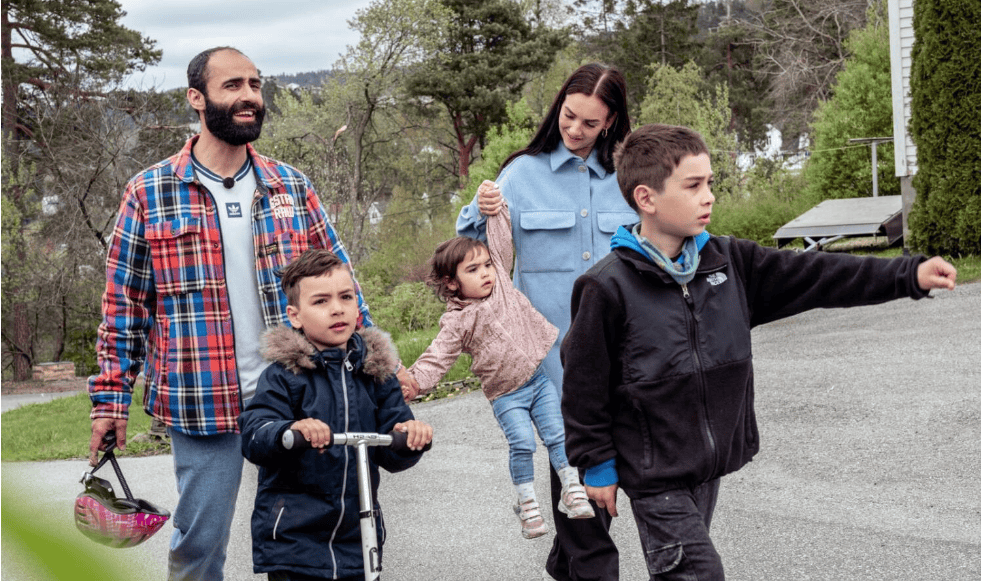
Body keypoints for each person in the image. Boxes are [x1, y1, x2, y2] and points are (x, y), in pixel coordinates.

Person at [560, 123, 958, 580]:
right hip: (653, 472)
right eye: (693, 186)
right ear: (646, 198)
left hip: (705, 463)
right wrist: (597, 464)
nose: (708, 196)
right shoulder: (607, 287)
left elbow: (818, 274)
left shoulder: (730, 263)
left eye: (709, 183)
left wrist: (908, 275)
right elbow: (583, 382)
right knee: (697, 573)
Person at [87, 46, 415, 581]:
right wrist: (110, 400)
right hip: (203, 397)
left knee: (314, 534)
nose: (249, 97)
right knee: (201, 541)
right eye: (233, 85)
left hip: (298, 391)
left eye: (255, 85)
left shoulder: (291, 186)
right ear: (197, 99)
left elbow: (344, 284)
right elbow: (123, 307)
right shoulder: (149, 193)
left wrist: (377, 365)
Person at [456, 62, 635, 579]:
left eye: (590, 124)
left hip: (625, 357)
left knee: (604, 490)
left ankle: (566, 564)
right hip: (551, 365)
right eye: (568, 116)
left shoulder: (629, 178)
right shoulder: (520, 176)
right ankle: (584, 565)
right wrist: (479, 207)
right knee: (577, 484)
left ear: (612, 123)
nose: (575, 130)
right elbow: (474, 257)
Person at [407, 196, 595, 540]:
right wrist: (414, 382)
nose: (485, 274)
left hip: (538, 380)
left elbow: (501, 242)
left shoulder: (503, 287)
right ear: (451, 282)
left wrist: (495, 210)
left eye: (486, 266)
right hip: (506, 395)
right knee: (523, 443)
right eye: (473, 270)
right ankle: (527, 504)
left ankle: (572, 490)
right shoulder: (457, 321)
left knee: (557, 435)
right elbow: (438, 355)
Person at [239, 249, 433, 581]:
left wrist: (410, 437)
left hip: (359, 533)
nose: (337, 308)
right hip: (295, 537)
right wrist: (290, 431)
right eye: (321, 301)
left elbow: (391, 449)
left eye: (346, 297)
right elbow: (255, 433)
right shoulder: (285, 374)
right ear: (295, 316)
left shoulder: (375, 373)